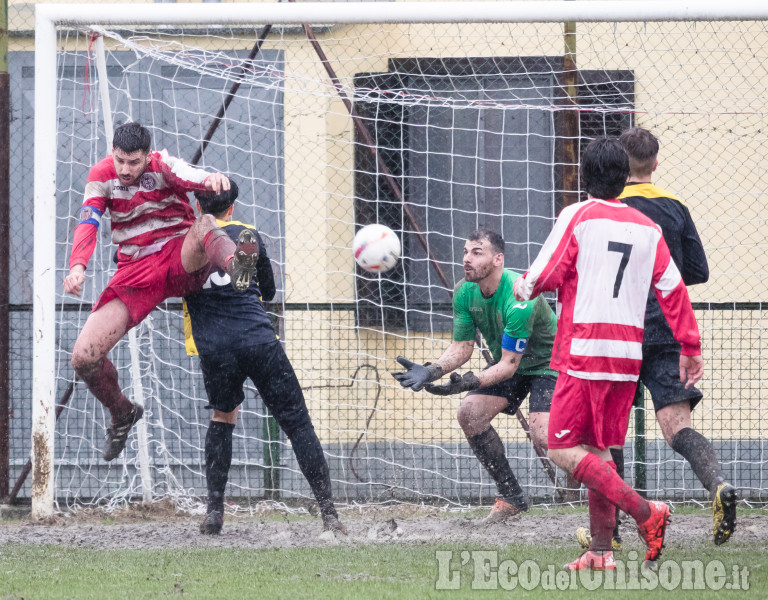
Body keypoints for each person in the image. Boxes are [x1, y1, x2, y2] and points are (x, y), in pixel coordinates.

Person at [514, 137, 704, 570]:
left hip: (584, 351)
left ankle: (645, 512)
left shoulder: (577, 215)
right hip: (625, 356)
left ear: (584, 177)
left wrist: (523, 287)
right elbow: (673, 290)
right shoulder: (647, 228)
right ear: (623, 180)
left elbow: (546, 272)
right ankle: (601, 551)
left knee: (562, 449)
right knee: (598, 451)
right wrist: (690, 346)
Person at [576, 127, 736, 550]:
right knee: (677, 426)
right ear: (656, 164)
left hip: (617, 333)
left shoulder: (603, 209)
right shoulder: (676, 206)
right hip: (667, 330)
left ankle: (613, 531)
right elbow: (696, 271)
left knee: (608, 436)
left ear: (619, 165)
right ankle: (718, 484)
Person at [63, 122, 258, 462]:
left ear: (147, 156)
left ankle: (238, 268)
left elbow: (193, 175)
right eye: (120, 160)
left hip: (177, 257)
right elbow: (88, 220)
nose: (125, 170)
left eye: (133, 162)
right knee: (83, 357)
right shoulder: (101, 175)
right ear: (113, 153)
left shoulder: (163, 165)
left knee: (204, 224)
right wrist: (77, 265)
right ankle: (122, 413)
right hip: (135, 271)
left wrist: (210, 179)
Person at [184, 181, 346, 536]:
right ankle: (329, 513)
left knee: (223, 417)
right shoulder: (247, 236)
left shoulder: (187, 244)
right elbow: (268, 291)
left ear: (197, 207)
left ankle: (214, 511)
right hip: (258, 341)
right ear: (231, 208)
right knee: (297, 423)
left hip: (214, 350)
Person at [392, 229, 558, 524]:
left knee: (542, 434)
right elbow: (462, 347)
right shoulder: (465, 291)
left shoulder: (521, 294)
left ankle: (605, 470)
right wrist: (433, 369)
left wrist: (471, 381)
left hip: (550, 363)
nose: (466, 259)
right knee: (469, 413)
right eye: (466, 251)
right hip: (510, 362)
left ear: (498, 259)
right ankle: (511, 496)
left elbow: (507, 364)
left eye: (476, 252)